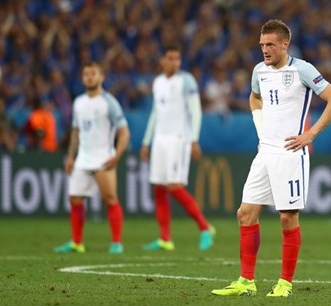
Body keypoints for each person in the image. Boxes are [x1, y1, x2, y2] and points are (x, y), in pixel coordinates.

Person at [212, 19, 331, 298]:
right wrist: (260, 126)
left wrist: (311, 134)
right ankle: (246, 282)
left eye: (270, 44)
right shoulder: (259, 70)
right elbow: (254, 97)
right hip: (265, 152)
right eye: (262, 45)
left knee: (287, 217)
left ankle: (284, 283)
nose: (265, 50)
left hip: (291, 153)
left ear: (285, 44)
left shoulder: (302, 70)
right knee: (245, 214)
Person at [140, 46, 215, 251]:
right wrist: (147, 141)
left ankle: (204, 227)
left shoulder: (186, 81)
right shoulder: (158, 82)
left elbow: (195, 111)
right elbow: (155, 113)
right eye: (170, 58)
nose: (174, 62)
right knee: (159, 187)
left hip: (178, 139)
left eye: (177, 58)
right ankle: (165, 238)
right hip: (160, 140)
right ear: (162, 60)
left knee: (174, 186)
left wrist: (194, 139)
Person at [54, 63, 130, 254]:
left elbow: (124, 132)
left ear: (101, 76)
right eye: (86, 74)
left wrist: (116, 155)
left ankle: (116, 243)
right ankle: (77, 242)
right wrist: (71, 156)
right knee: (75, 198)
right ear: (82, 77)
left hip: (103, 158)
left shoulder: (109, 102)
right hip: (83, 158)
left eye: (93, 74)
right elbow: (76, 131)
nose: (89, 77)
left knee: (110, 199)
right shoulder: (79, 102)